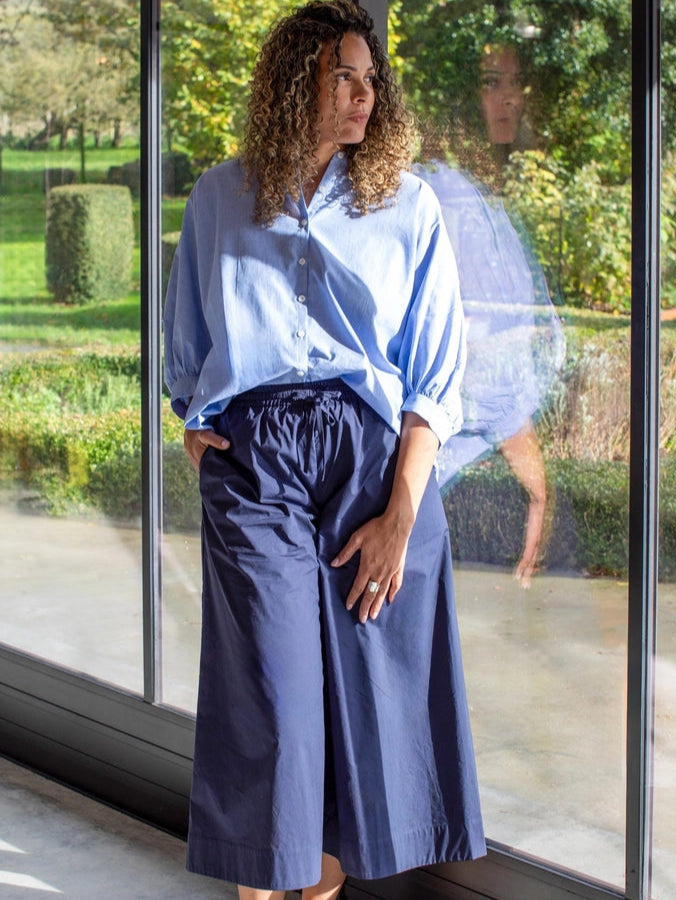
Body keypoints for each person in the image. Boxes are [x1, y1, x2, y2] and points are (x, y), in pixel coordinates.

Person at [163, 2, 486, 898]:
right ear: (294, 79)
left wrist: (399, 514)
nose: (362, 95)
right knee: (272, 701)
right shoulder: (220, 196)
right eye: (343, 75)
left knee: (356, 710)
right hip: (255, 460)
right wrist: (215, 459)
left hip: (369, 465)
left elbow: (433, 381)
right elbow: (187, 362)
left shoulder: (407, 205)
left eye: (370, 79)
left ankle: (320, 888)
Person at [418, 40, 565, 588]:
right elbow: (474, 357)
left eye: (516, 82)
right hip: (454, 484)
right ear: (461, 100)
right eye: (491, 82)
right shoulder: (451, 199)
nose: (510, 100)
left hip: (466, 474)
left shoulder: (485, 198)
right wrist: (536, 485)